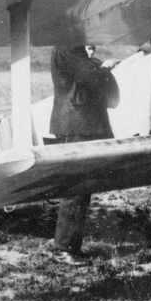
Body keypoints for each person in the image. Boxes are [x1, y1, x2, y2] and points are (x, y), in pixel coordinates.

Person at [46, 44, 119, 264]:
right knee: (77, 187)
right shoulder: (69, 48)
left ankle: (69, 246)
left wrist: (96, 64)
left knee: (80, 188)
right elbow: (91, 78)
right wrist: (105, 68)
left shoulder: (67, 48)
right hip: (77, 125)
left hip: (77, 124)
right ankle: (64, 248)